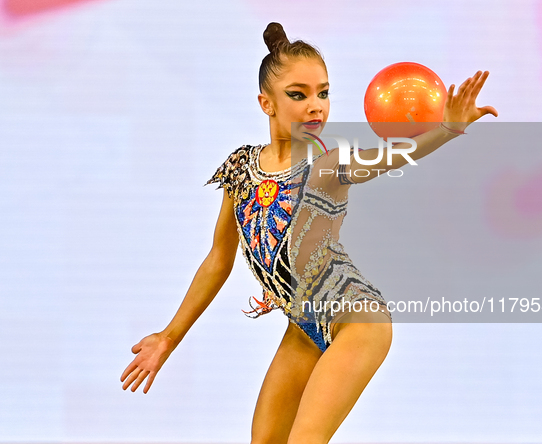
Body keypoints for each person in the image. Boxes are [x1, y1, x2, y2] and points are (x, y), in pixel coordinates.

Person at [120, 22, 498, 444]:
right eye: (298, 94)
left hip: (358, 319)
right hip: (302, 328)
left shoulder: (328, 166)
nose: (316, 106)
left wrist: (446, 129)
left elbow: (391, 157)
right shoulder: (241, 168)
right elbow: (218, 260)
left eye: (324, 92)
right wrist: (168, 337)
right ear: (267, 103)